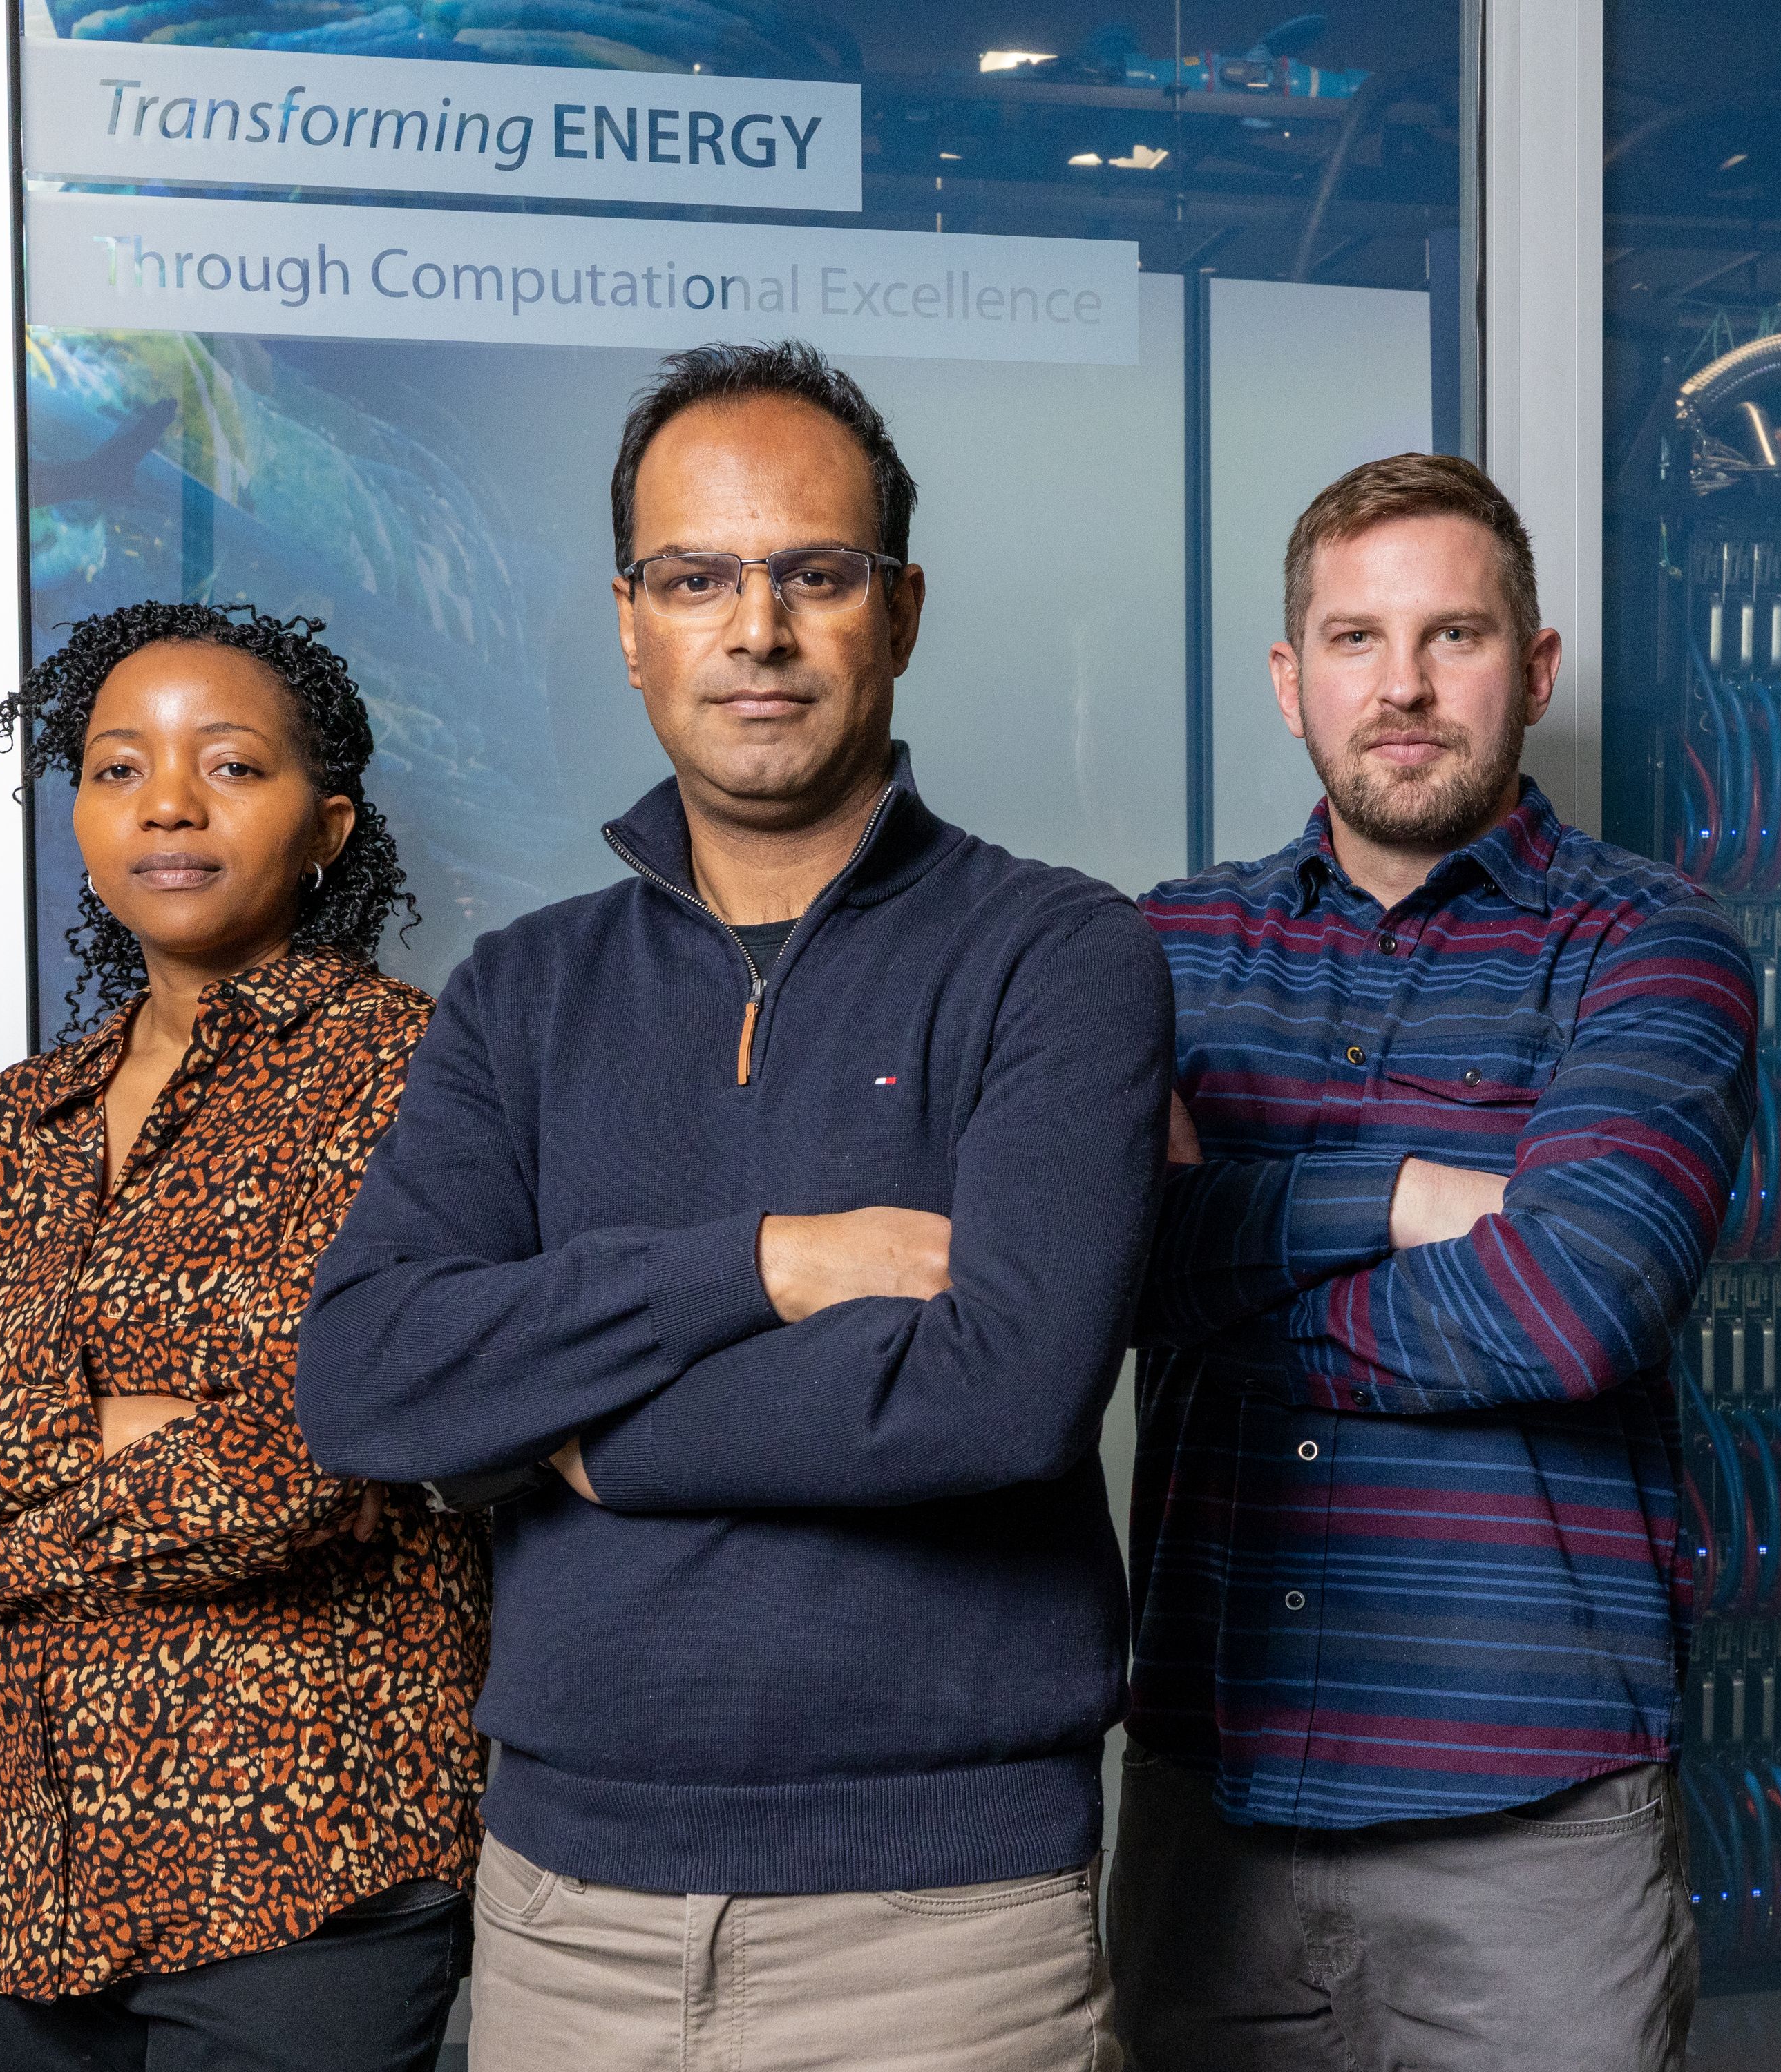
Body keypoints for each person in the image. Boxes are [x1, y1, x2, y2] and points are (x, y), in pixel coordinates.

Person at [296, 340, 1171, 2072]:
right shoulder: (516, 994)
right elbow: (369, 1380)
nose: (753, 631)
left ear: (899, 613)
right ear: (630, 625)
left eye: (813, 575)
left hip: (944, 1932)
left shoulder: (1060, 957)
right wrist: (768, 1267)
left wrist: (580, 1433)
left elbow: (1001, 1393)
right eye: (695, 578)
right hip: (564, 1913)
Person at [1110, 453, 1758, 2071]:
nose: (1399, 687)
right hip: (1212, 1807)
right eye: (1352, 640)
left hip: (1528, 1837)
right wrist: (1408, 1193)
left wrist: (1218, 1258)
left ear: (1531, 670)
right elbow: (1084, 1270)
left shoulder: (1649, 945)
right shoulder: (1160, 953)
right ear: (1288, 680)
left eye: (1451, 636)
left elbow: (1572, 1300)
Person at [0, 602, 483, 2071]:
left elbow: (307, 1454)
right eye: (116, 768)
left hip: (301, 1853)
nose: (167, 802)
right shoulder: (10, 1123)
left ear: (328, 825)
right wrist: (130, 1426)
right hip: (23, 1871)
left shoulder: (410, 1076)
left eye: (230, 766)